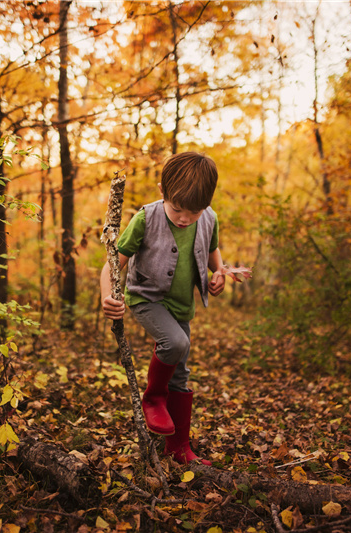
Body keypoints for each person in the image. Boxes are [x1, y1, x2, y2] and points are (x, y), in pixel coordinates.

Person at [100, 151, 234, 466]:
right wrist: (109, 296)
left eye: (195, 211)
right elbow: (111, 265)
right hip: (146, 297)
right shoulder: (146, 218)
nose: (186, 218)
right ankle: (153, 397)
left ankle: (178, 448)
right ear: (163, 192)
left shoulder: (210, 218)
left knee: (181, 374)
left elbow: (213, 251)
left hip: (182, 306)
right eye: (178, 209)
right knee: (175, 343)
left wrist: (220, 273)